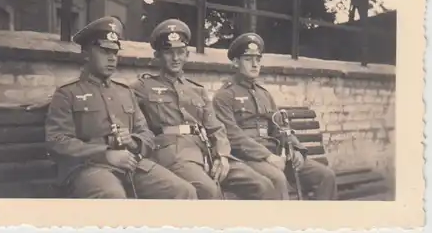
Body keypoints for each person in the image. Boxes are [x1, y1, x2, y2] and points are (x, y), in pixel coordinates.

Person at [44, 16, 197, 200]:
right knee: (113, 196)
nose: (111, 58)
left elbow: (146, 134)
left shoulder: (125, 92)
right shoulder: (67, 93)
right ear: (86, 53)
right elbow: (57, 141)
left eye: (115, 53)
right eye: (104, 51)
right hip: (89, 168)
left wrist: (133, 142)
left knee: (183, 191)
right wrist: (105, 154)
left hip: (130, 164)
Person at [131, 19, 279, 200]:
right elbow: (135, 126)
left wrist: (222, 156)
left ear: (187, 55)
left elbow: (216, 128)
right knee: (208, 190)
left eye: (180, 52)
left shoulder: (197, 90)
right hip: (175, 155)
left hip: (206, 151)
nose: (176, 58)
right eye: (169, 52)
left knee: (261, 185)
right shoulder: (142, 88)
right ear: (158, 56)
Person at [212, 32, 338, 200]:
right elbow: (233, 135)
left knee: (324, 176)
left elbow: (280, 127)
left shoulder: (264, 94)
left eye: (258, 59)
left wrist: (297, 149)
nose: (255, 64)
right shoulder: (224, 96)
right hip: (248, 158)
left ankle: (322, 224)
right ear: (235, 63)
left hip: (275, 155)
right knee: (277, 178)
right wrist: (267, 156)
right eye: (248, 59)